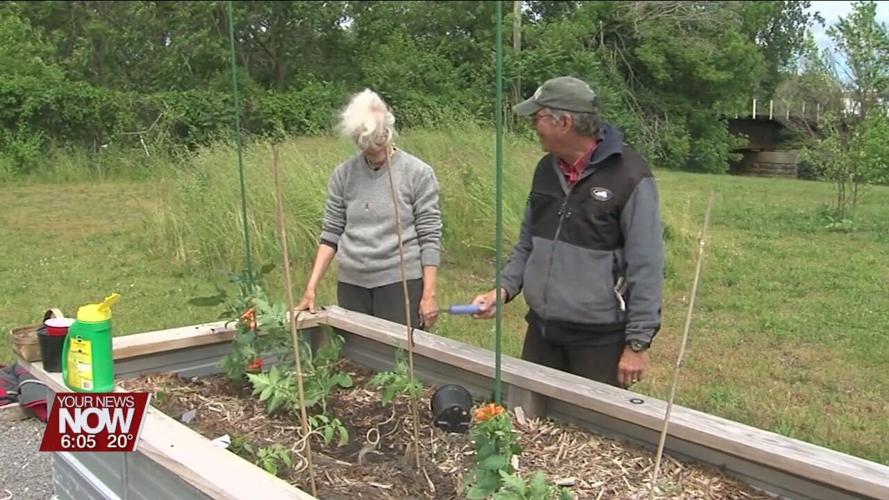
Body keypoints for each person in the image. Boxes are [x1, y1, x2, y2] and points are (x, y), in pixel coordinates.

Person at [470, 76, 665, 389]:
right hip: (543, 332)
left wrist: (637, 343)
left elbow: (647, 263)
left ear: (564, 122)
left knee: (592, 432)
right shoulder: (546, 170)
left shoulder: (630, 176)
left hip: (598, 339)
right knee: (529, 425)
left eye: (538, 117)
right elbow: (527, 244)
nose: (533, 125)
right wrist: (502, 290)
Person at [295, 89, 442, 330]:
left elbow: (430, 236)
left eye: (381, 142)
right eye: (369, 148)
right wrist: (311, 287)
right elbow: (331, 233)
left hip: (399, 283)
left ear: (389, 130)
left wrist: (429, 295)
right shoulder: (344, 175)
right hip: (353, 284)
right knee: (356, 361)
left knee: (398, 360)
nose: (377, 153)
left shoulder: (418, 173)